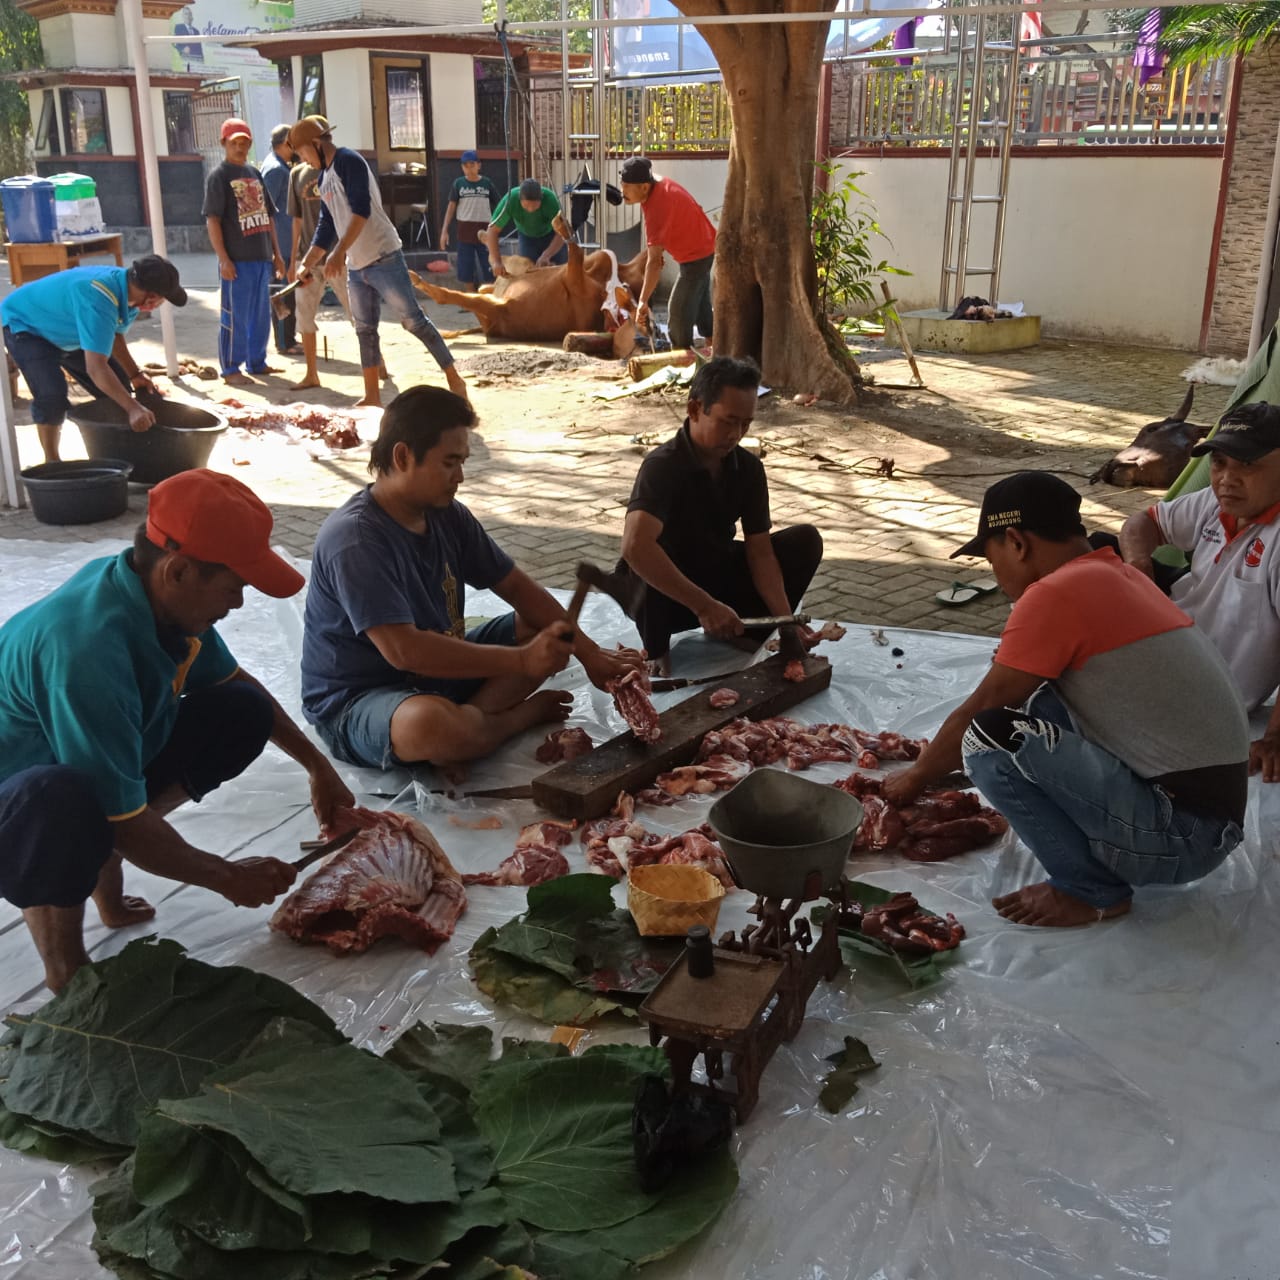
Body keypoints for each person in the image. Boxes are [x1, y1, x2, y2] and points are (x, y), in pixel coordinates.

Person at [0, 469, 354, 992]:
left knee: (242, 711)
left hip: (80, 763)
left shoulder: (158, 599)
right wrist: (228, 876)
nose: (238, 604)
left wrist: (318, 767)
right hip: (19, 803)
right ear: (180, 570)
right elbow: (114, 811)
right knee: (60, 799)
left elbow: (236, 682)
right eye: (233, 588)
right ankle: (66, 972)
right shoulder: (86, 652)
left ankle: (104, 860)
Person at [883, 471, 1248, 930]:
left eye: (991, 559)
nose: (994, 574)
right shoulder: (1111, 573)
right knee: (1039, 701)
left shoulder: (1056, 594)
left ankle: (1089, 888)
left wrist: (914, 778)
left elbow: (983, 708)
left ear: (1016, 542)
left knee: (988, 738)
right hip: (1208, 825)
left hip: (1180, 837)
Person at [301, 385, 643, 771]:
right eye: (450, 463)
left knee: (549, 629)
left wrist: (589, 654)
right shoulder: (355, 539)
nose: (460, 476)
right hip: (361, 700)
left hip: (436, 677)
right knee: (429, 724)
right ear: (403, 456)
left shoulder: (447, 514)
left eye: (462, 462)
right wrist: (521, 661)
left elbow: (516, 587)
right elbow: (405, 651)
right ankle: (506, 722)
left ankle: (469, 729)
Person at [615, 355, 823, 673]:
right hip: (663, 596)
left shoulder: (748, 469)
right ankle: (655, 648)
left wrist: (785, 622)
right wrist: (704, 606)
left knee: (805, 540)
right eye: (728, 421)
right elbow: (634, 547)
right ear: (695, 410)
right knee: (651, 556)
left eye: (745, 423)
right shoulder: (662, 466)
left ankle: (747, 632)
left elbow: (760, 553)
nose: (736, 434)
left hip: (713, 571)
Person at [1120, 401, 1280, 782]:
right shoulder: (1217, 500)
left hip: (1210, 689)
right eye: (1219, 463)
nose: (1227, 479)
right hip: (1178, 642)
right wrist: (1138, 566)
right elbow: (1141, 523)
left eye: (1247, 465)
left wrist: (1275, 736)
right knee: (1097, 553)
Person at [289, 115, 466, 407]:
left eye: (302, 152)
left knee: (414, 321)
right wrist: (307, 262)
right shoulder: (323, 177)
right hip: (357, 266)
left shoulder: (349, 161)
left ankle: (454, 378)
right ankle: (372, 395)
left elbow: (362, 211)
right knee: (365, 330)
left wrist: (338, 252)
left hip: (384, 256)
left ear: (316, 143)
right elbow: (327, 224)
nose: (303, 160)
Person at [1, 254, 185, 464]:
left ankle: (122, 453)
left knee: (120, 390)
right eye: (163, 299)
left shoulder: (129, 293)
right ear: (151, 299)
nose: (161, 304)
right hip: (25, 325)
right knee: (52, 395)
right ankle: (52, 462)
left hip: (68, 329)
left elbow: (112, 335)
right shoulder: (100, 298)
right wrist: (133, 408)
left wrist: (134, 375)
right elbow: (96, 368)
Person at [203, 117, 286, 386]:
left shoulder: (254, 173)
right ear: (224, 143)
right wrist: (223, 259)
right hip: (236, 261)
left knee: (260, 315)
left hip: (261, 258)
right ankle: (230, 368)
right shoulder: (219, 177)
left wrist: (277, 254)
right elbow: (213, 220)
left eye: (244, 143)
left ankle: (257, 361)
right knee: (235, 316)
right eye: (234, 143)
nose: (240, 148)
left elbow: (269, 216)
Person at [619, 154, 716, 350]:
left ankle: (682, 354)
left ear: (644, 187)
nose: (622, 191)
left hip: (697, 256)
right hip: (705, 244)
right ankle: (714, 343)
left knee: (678, 313)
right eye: (622, 184)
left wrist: (643, 301)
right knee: (699, 303)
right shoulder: (656, 184)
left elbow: (654, 262)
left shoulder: (657, 206)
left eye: (627, 187)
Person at [287, 128, 353, 392]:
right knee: (304, 316)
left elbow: (354, 213)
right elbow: (297, 220)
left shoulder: (339, 170)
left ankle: (377, 365)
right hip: (308, 258)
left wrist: (346, 250)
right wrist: (293, 259)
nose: (304, 157)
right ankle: (311, 373)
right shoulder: (297, 174)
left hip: (339, 255)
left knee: (357, 312)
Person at [261, 122, 298, 356]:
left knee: (288, 292)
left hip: (284, 242)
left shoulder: (278, 166)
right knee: (283, 294)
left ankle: (288, 339)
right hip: (281, 245)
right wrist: (275, 250)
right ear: (286, 142)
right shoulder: (276, 170)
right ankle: (285, 342)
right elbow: (267, 211)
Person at [484, 177, 568, 276]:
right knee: (528, 273)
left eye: (535, 206)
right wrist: (496, 261)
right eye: (526, 206)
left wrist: (547, 255)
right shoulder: (510, 200)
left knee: (560, 273)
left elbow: (563, 231)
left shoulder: (550, 200)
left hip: (551, 236)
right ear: (519, 199)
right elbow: (492, 230)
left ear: (541, 198)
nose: (531, 209)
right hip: (527, 238)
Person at [440, 149, 496, 290]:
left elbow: (499, 204)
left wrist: (495, 227)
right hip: (464, 231)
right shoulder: (458, 184)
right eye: (466, 166)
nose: (469, 169)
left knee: (489, 264)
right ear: (462, 167)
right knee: (466, 267)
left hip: (485, 230)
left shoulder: (487, 183)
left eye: (472, 165)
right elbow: (451, 207)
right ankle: (470, 297)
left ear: (479, 165)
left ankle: (490, 295)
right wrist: (444, 231)